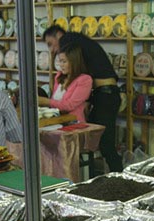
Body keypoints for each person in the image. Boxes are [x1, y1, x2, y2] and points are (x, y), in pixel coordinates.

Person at [43, 25, 123, 172]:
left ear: (58, 35)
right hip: (102, 93)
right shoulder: (79, 42)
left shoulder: (67, 40)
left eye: (50, 44)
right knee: (97, 141)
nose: (52, 50)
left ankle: (120, 176)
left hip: (106, 93)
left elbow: (68, 103)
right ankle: (97, 175)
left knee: (106, 143)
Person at [37, 43, 92, 123]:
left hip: (74, 123)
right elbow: (55, 102)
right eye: (60, 61)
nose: (61, 65)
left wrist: (46, 101)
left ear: (74, 62)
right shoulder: (59, 76)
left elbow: (69, 105)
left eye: (64, 61)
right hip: (57, 120)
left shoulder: (85, 80)